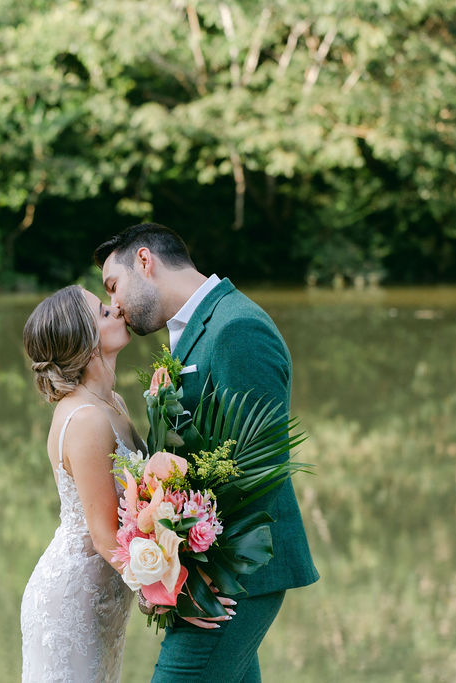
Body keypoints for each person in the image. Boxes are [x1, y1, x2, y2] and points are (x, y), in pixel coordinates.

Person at [94, 223, 319, 683]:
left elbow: (260, 464)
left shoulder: (237, 327)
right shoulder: (192, 330)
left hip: (234, 578)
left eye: (113, 286)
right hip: (206, 576)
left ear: (144, 261)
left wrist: (202, 576)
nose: (113, 305)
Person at [19, 285, 236, 682]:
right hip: (75, 598)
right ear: (84, 344)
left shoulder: (111, 404)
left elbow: (143, 491)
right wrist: (172, 593)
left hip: (105, 593)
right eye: (103, 313)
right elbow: (104, 536)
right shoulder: (84, 419)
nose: (117, 310)